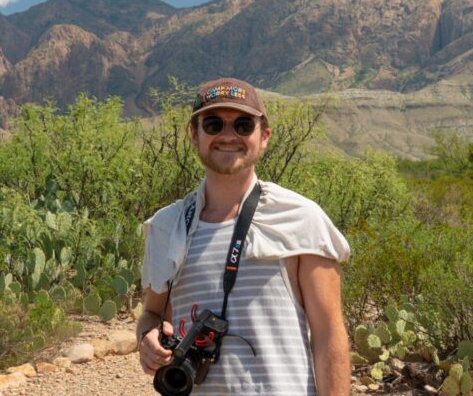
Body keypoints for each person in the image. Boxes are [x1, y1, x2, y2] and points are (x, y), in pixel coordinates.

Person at [136, 77, 351, 395]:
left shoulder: (301, 220)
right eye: (212, 124)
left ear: (263, 136)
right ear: (193, 135)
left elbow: (328, 333)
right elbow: (152, 314)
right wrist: (147, 339)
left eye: (242, 125)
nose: (228, 136)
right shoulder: (167, 227)